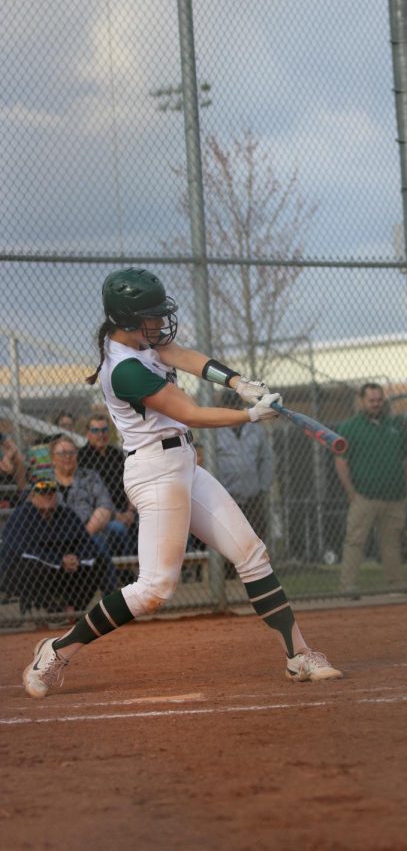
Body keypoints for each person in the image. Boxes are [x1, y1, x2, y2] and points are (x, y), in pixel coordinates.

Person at [23, 266, 341, 699]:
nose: (160, 322)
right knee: (156, 588)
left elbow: (185, 356)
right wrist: (248, 414)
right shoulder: (125, 369)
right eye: (151, 315)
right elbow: (188, 412)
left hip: (183, 463)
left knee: (250, 552)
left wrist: (237, 382)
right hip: (154, 473)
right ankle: (56, 650)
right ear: (129, 319)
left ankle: (298, 654)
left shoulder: (144, 342)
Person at [334, 383, 407, 597]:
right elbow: (341, 462)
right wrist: (351, 492)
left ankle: (395, 585)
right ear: (362, 401)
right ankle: (348, 587)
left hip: (394, 496)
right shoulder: (350, 427)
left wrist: (404, 487)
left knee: (392, 542)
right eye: (371, 400)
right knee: (355, 541)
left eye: (379, 400)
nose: (376, 404)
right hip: (364, 496)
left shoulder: (394, 425)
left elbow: (405, 460)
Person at [1, 479, 108, 617]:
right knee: (31, 566)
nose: (48, 496)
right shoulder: (21, 516)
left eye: (51, 493)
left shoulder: (66, 514)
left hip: (62, 569)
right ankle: (44, 611)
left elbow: (86, 543)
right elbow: (23, 551)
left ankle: (72, 610)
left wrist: (77, 558)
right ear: (32, 496)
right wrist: (59, 561)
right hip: (22, 574)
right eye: (42, 493)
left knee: (99, 562)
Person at [49, 434, 119, 592]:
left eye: (71, 453)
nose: (67, 457)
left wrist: (85, 534)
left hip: (88, 532)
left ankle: (110, 599)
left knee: (99, 545)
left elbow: (105, 506)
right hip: (54, 536)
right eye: (62, 453)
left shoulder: (90, 476)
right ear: (52, 458)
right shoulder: (45, 481)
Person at [216, 392, 274, 578]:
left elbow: (267, 458)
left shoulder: (254, 429)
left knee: (257, 537)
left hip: (252, 495)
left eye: (235, 406)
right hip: (226, 497)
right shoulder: (215, 430)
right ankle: (228, 579)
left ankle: (259, 576)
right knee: (229, 541)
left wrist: (263, 486)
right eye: (229, 407)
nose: (233, 411)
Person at [78, 413, 137, 555]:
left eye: (104, 430)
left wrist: (130, 511)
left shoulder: (116, 454)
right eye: (95, 431)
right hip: (100, 514)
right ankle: (126, 572)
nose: (101, 435)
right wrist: (115, 516)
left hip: (126, 511)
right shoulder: (82, 457)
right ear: (87, 434)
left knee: (150, 523)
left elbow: (128, 483)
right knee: (118, 529)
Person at [0, 430, 27, 501]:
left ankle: (23, 493)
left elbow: (14, 447)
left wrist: (6, 458)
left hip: (4, 464)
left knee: (18, 457)